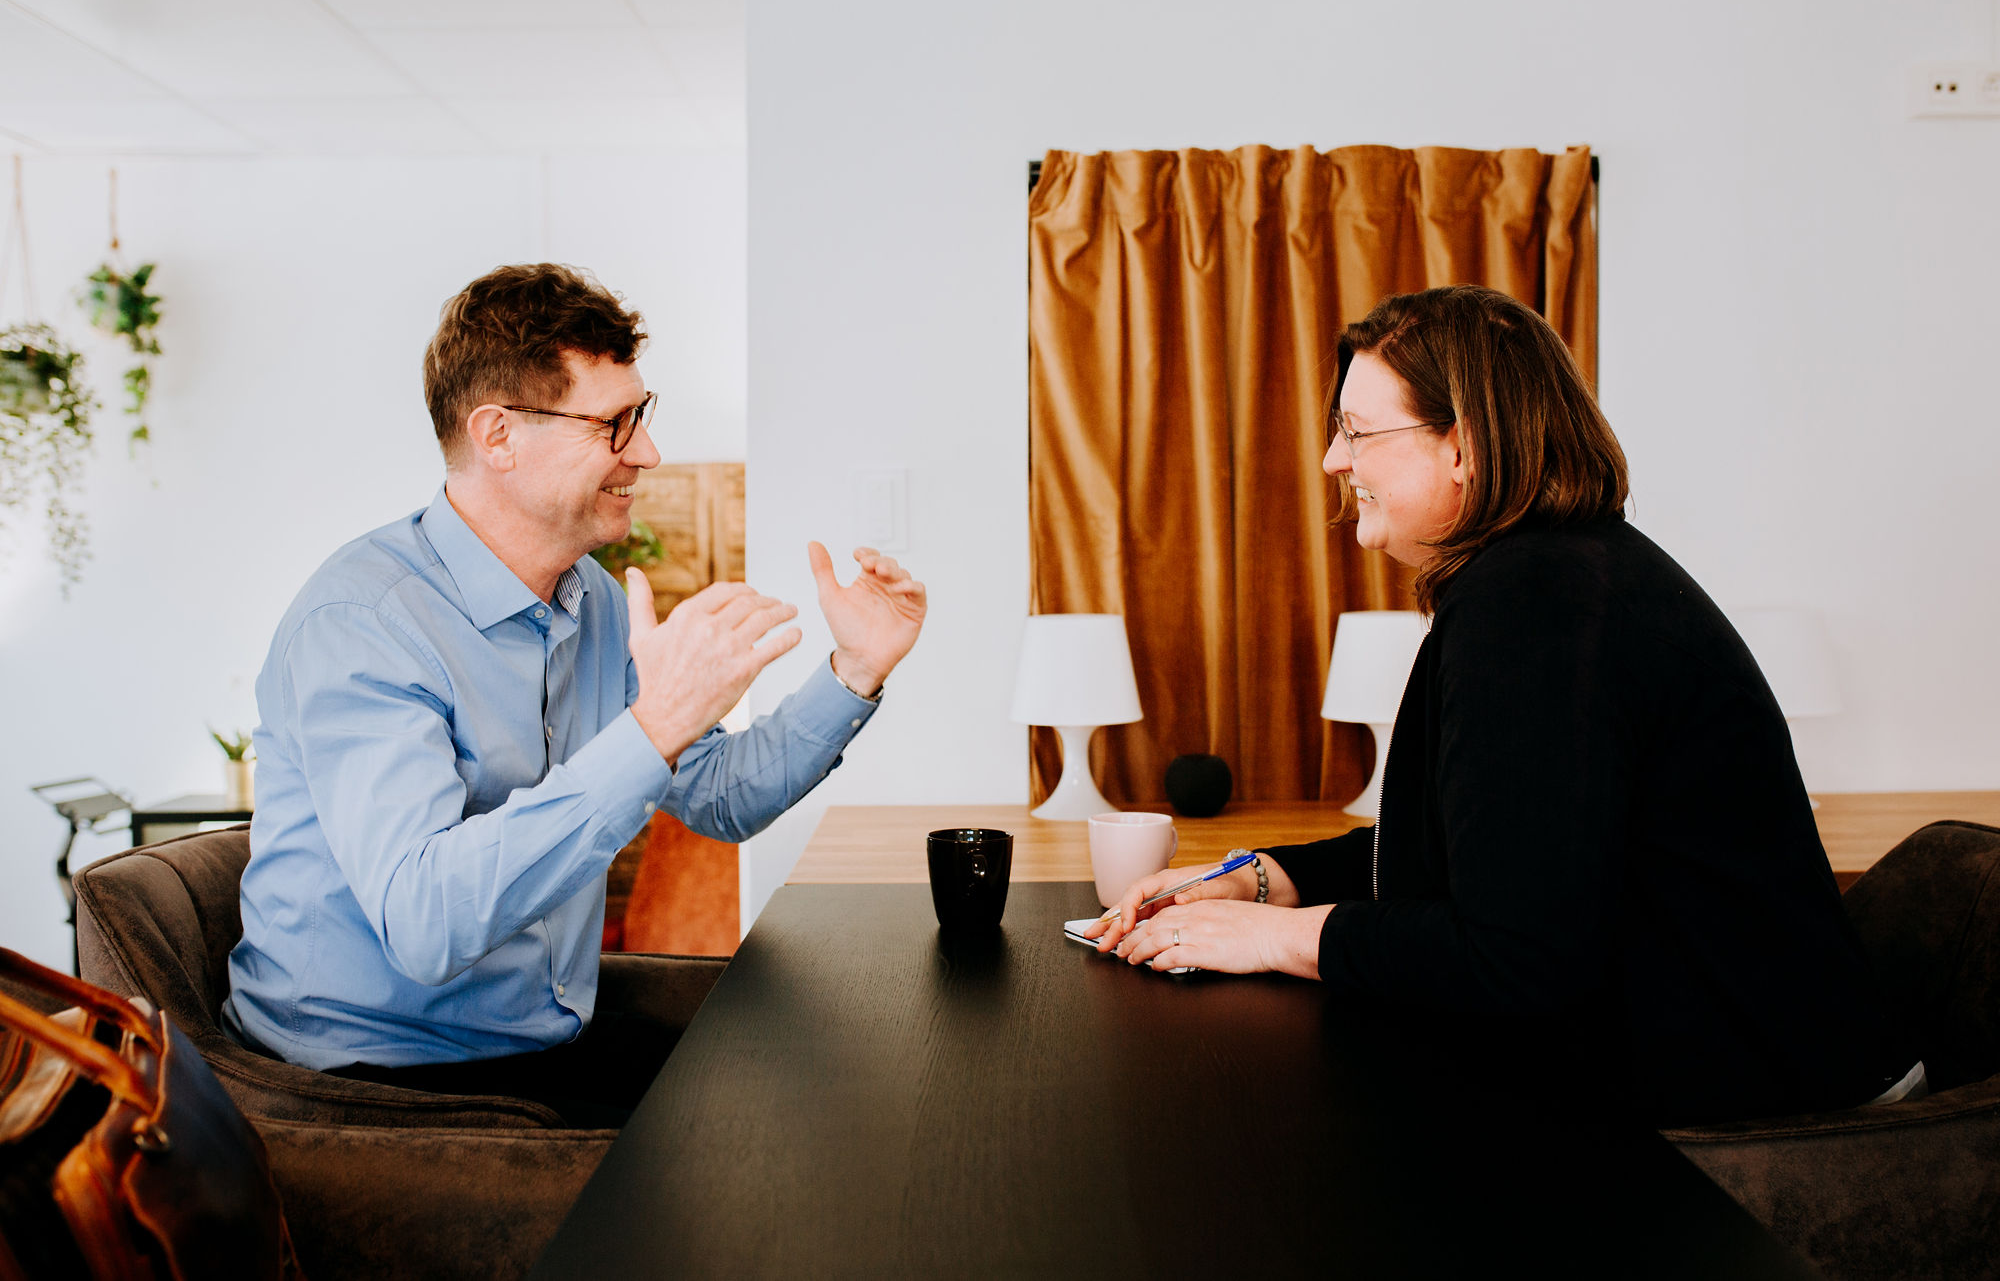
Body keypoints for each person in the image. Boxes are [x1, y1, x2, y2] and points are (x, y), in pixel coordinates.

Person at [1090, 284, 1917, 1126]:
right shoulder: (1559, 570)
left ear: (1466, 447)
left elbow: (1519, 954)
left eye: (1357, 432)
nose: (1335, 461)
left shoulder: (1538, 599)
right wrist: (1270, 877)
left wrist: (1277, 937)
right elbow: (1495, 841)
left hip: (1770, 1137)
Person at [224, 263, 926, 1125]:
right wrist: (655, 721)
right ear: (498, 436)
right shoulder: (360, 624)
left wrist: (855, 668)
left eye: (643, 414)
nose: (649, 451)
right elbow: (425, 921)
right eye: (614, 424)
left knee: (837, 1080)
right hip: (369, 1080)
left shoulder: (588, 599)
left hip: (534, 1041)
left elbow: (722, 796)